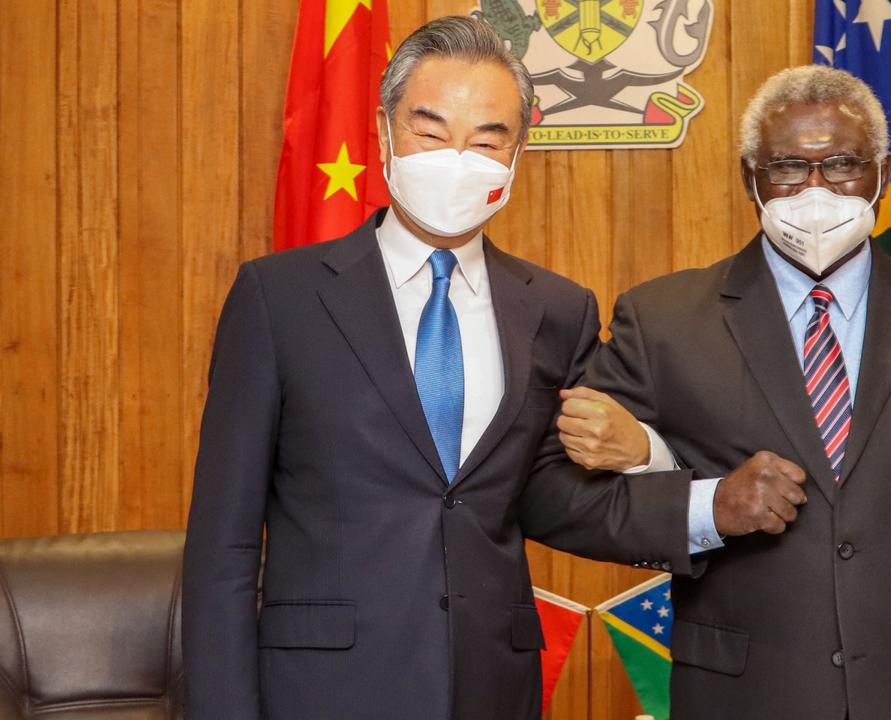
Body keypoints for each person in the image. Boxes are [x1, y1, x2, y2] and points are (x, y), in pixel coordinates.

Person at [182, 16, 798, 720]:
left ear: (516, 154)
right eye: (431, 129)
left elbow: (553, 499)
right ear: (385, 130)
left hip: (493, 686)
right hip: (322, 689)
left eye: (487, 138)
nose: (457, 156)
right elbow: (223, 542)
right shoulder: (278, 298)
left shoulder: (556, 309)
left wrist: (689, 491)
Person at [558, 65, 891, 719]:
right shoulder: (664, 321)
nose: (816, 190)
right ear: (751, 178)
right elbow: (558, 500)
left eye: (841, 164)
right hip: (743, 701)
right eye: (787, 167)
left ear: (883, 175)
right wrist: (708, 508)